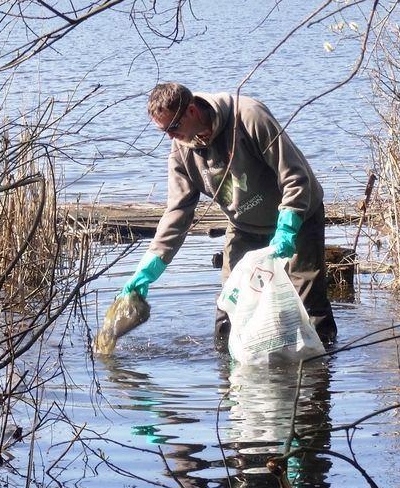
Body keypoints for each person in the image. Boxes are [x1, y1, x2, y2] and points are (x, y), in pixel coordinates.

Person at [119, 82, 338, 345]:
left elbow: (294, 176)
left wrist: (288, 226)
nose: (170, 137)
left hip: (298, 216)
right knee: (230, 304)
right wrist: (150, 266)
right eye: (163, 131)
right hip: (244, 225)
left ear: (191, 111)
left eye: (172, 128)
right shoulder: (181, 150)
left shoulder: (249, 117)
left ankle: (321, 371)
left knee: (308, 303)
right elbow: (177, 211)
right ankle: (229, 376)